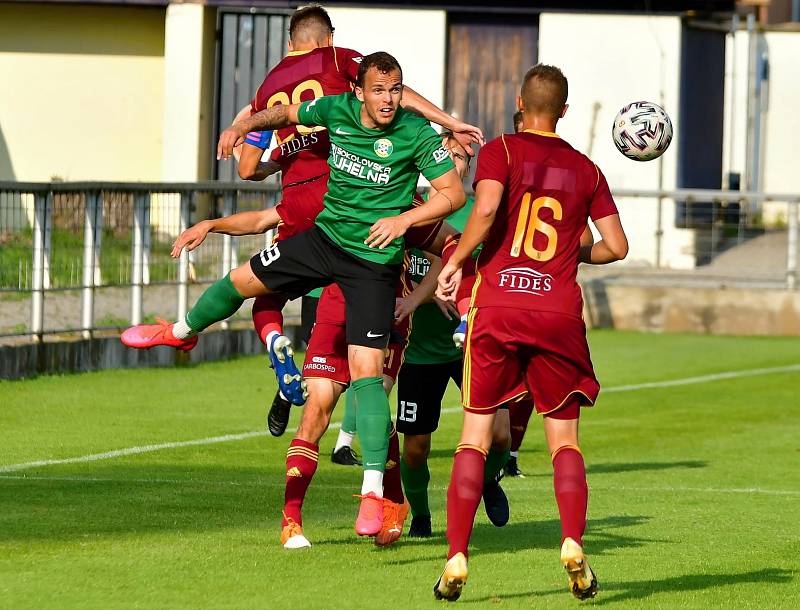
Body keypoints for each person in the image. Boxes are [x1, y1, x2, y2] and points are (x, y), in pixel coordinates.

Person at [123, 52, 474, 537]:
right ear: (359, 92)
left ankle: (372, 493)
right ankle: (181, 331)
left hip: (373, 265)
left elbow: (453, 196)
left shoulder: (414, 134)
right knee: (242, 279)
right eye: (379, 90)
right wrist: (241, 126)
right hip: (323, 242)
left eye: (395, 90)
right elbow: (284, 114)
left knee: (369, 376)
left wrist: (402, 220)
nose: (389, 100)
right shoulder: (335, 111)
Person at [170, 5, 482, 422]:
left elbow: (247, 169)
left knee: (263, 288)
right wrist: (449, 121)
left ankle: (251, 341)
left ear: (288, 44)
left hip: (297, 203)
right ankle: (457, 323)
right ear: (328, 38)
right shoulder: (338, 62)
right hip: (349, 197)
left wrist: (266, 145)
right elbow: (394, 91)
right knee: (440, 247)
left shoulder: (269, 85)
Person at [433, 64, 628, 602]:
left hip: (499, 305)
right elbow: (616, 246)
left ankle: (456, 555)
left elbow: (489, 206)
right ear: (563, 111)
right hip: (558, 311)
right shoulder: (587, 170)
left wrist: (459, 258)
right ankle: (570, 541)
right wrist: (573, 252)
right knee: (564, 440)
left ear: (520, 102)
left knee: (473, 434)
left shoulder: (502, 150)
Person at [393, 135, 511, 539]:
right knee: (416, 447)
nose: (455, 162)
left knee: (500, 434)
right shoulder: (407, 210)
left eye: (462, 158)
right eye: (449, 155)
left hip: (473, 342)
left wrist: (465, 293)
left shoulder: (481, 213)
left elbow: (490, 273)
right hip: (421, 350)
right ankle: (422, 518)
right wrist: (425, 298)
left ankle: (489, 481)